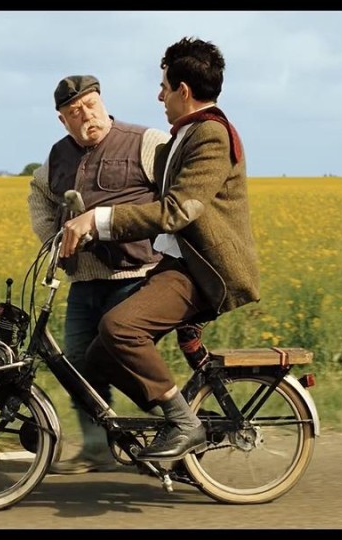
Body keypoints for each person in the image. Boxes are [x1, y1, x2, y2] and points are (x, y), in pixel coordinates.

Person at [60, 36, 262, 460]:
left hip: (203, 271)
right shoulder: (183, 136)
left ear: (182, 90)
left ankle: (184, 424)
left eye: (163, 86)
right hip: (176, 264)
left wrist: (97, 220)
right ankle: (176, 419)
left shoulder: (211, 135)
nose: (159, 96)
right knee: (96, 358)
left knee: (120, 328)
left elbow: (177, 210)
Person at [27, 74, 170, 473]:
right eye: (74, 112)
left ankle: (177, 427)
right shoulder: (57, 157)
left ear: (102, 102)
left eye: (90, 105)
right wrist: (56, 239)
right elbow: (39, 195)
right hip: (84, 281)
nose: (85, 115)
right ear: (62, 120)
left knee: (120, 358)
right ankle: (96, 448)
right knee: (76, 363)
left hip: (137, 275)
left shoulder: (145, 142)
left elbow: (178, 198)